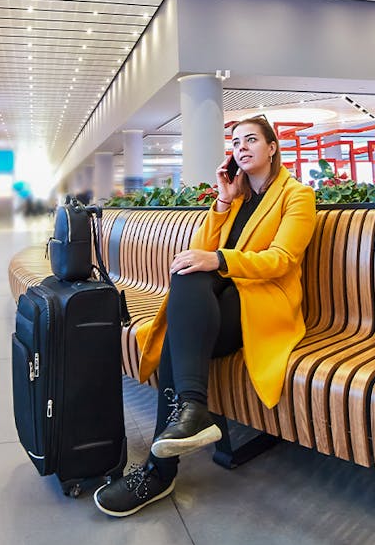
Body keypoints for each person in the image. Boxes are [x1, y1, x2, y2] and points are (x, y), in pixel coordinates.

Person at [94, 116, 316, 517]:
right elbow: (200, 248)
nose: (242, 147)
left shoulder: (297, 196)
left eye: (252, 140)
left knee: (181, 330)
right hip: (214, 306)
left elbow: (281, 261)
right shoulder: (238, 197)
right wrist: (223, 201)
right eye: (236, 142)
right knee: (186, 287)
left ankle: (160, 472)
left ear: (272, 147)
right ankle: (192, 411)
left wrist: (216, 259)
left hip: (259, 306)